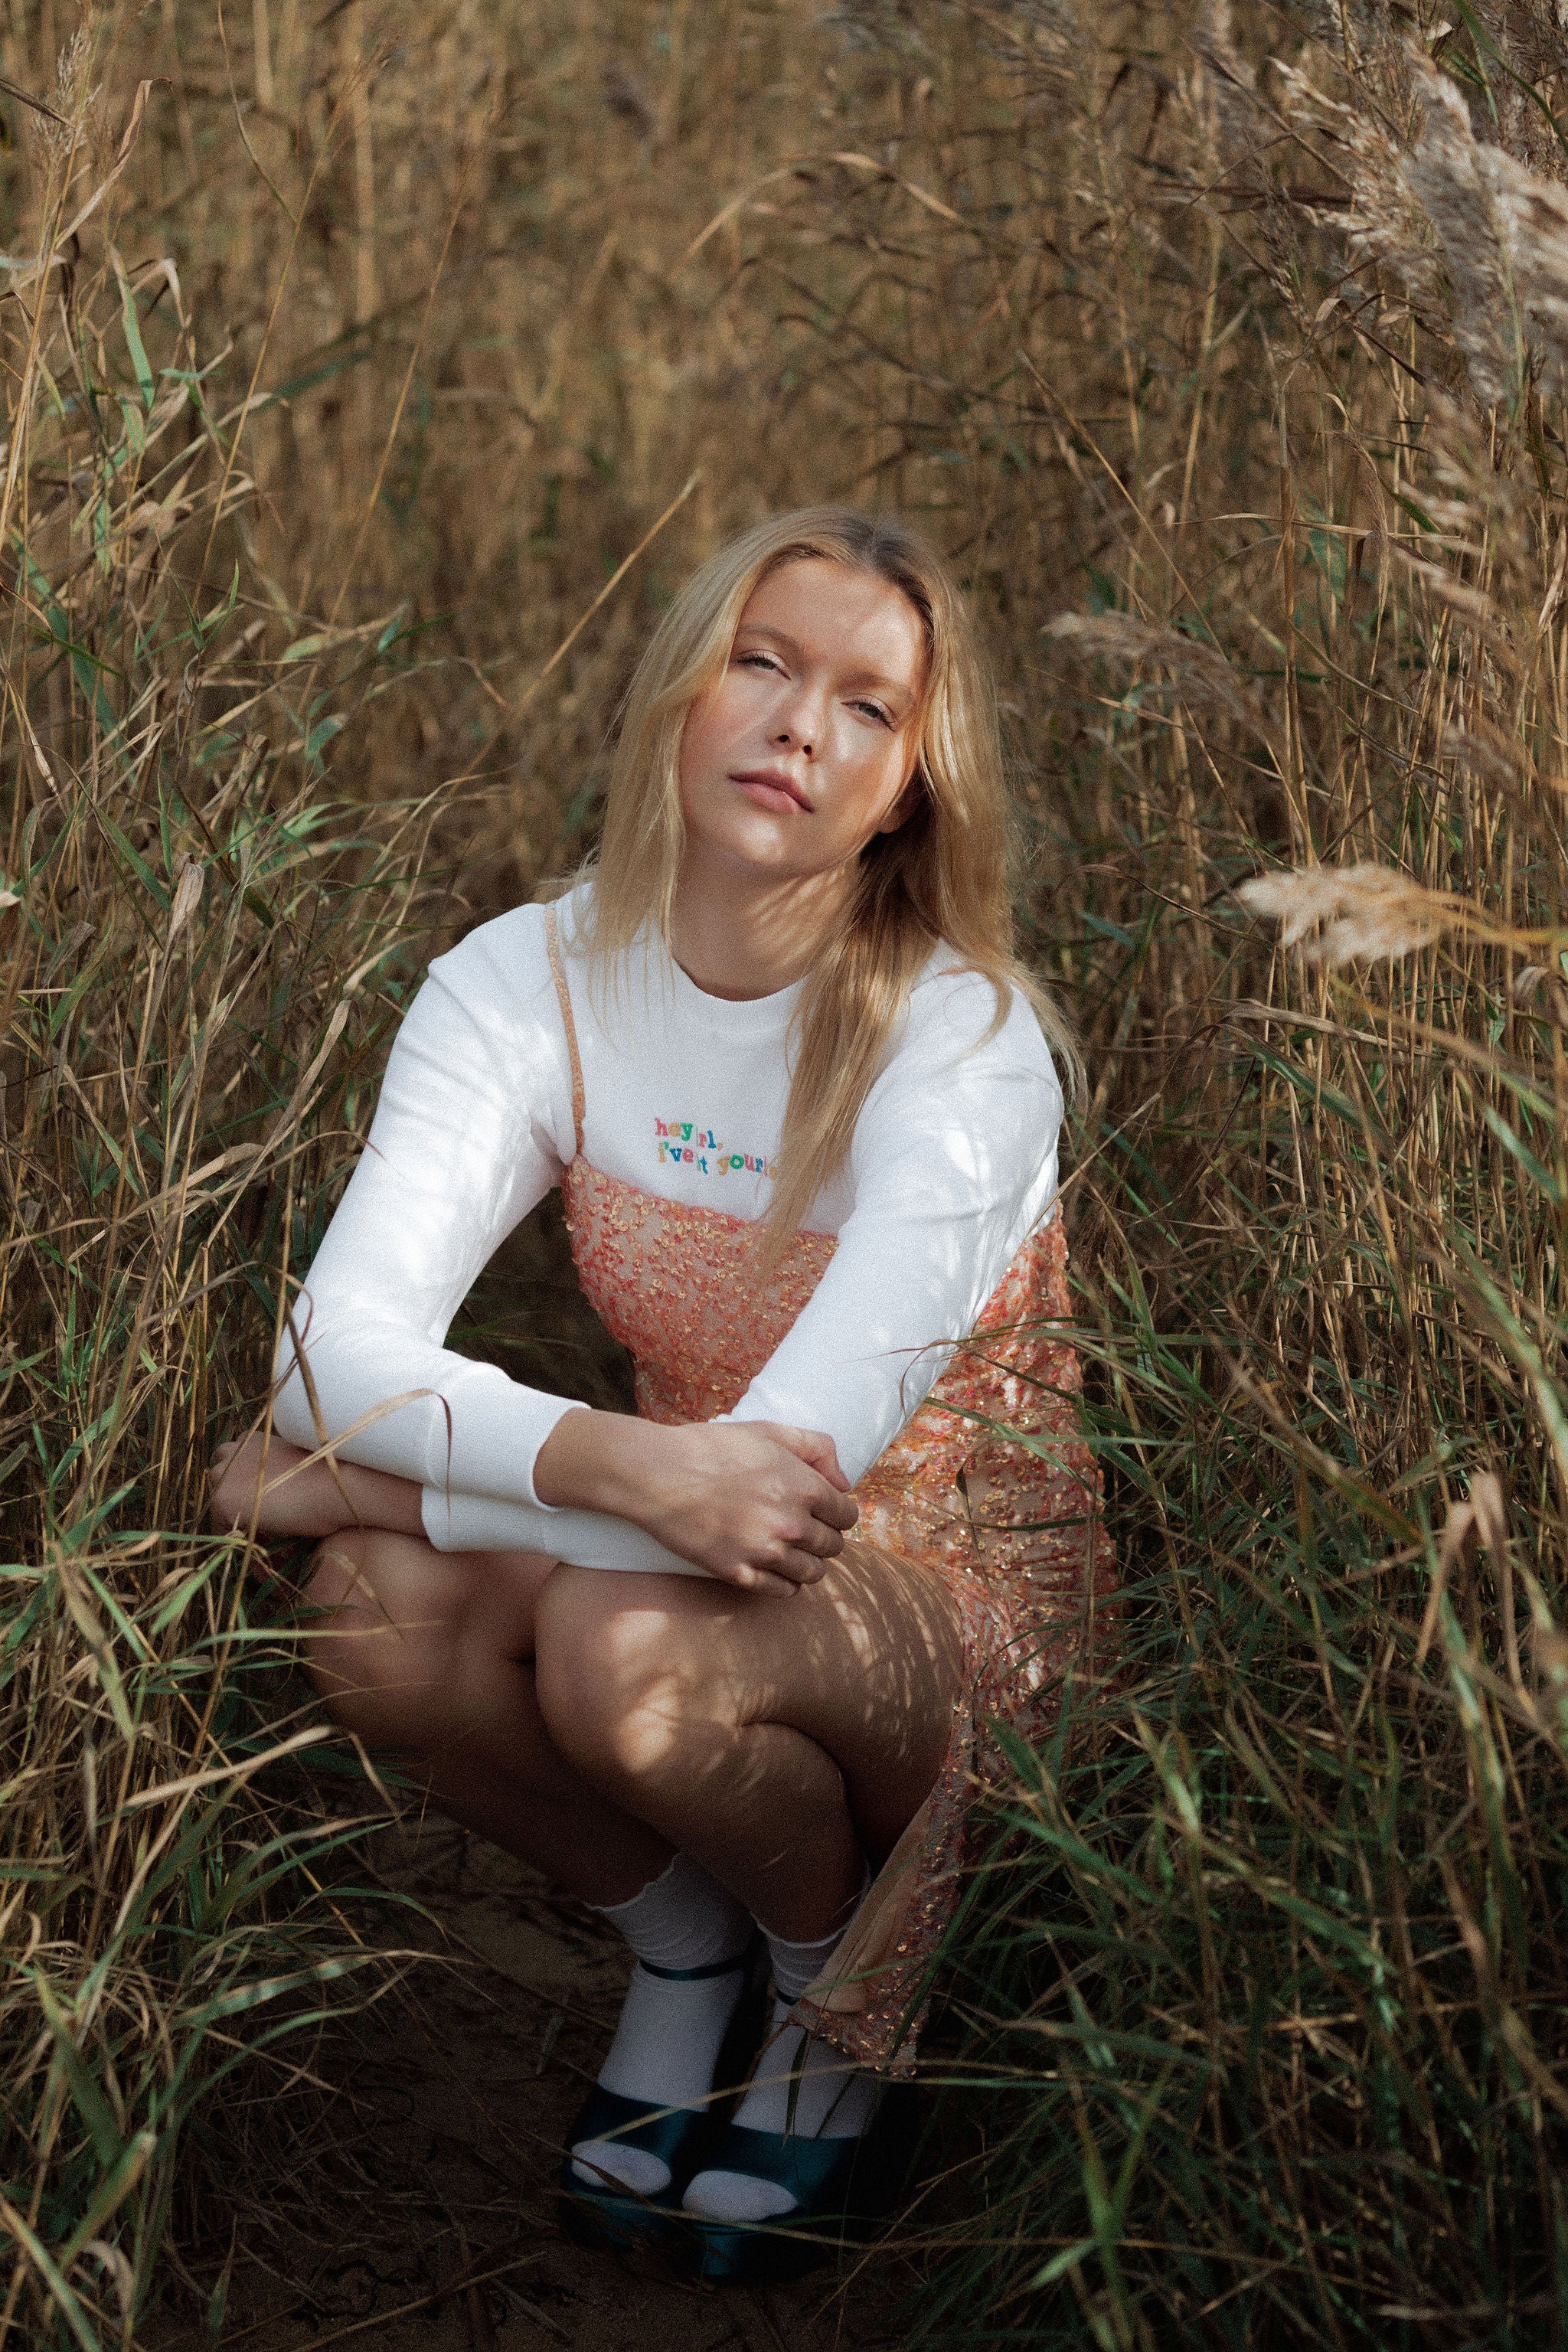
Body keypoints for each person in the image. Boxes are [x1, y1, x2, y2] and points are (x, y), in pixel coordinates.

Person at [209, 507, 1115, 2282]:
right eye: (763, 663)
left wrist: (374, 1476)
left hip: (948, 1604)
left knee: (611, 1645)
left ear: (913, 788)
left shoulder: (965, 1040)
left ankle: (833, 1994)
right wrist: (612, 1463)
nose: (796, 724)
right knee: (374, 1623)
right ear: (682, 696)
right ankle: (693, 1943)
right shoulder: (525, 979)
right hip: (664, 1544)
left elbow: (782, 1482)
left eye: (866, 705)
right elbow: (332, 1357)